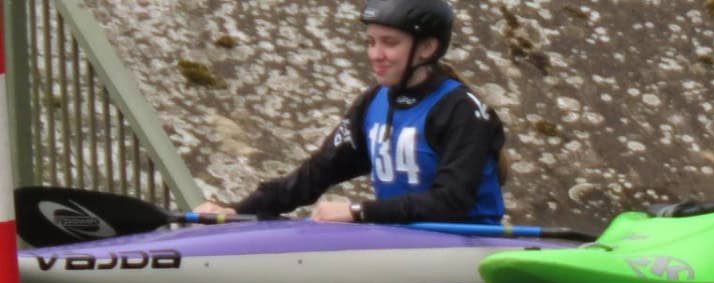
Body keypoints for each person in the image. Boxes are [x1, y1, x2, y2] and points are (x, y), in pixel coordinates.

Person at [196, 0, 506, 226]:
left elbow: (450, 202)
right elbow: (313, 175)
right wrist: (238, 212)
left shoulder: (462, 110)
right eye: (370, 42)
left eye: (389, 43)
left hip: (467, 244)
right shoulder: (373, 103)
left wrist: (358, 211)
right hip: (400, 243)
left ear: (426, 48)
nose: (375, 55)